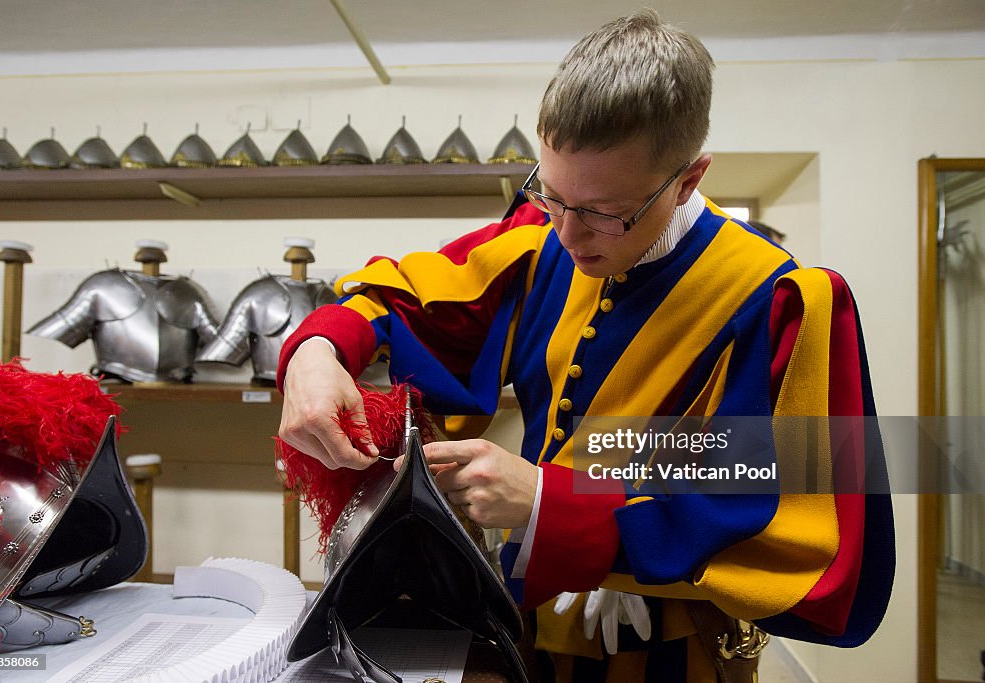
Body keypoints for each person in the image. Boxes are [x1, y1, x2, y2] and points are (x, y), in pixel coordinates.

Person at [277, 8, 893, 682]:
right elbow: (398, 297)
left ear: (688, 179)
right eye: (550, 195)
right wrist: (318, 350)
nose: (569, 235)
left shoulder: (780, 302)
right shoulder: (542, 243)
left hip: (671, 653)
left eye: (604, 212)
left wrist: (560, 509)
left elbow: (797, 518)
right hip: (529, 619)